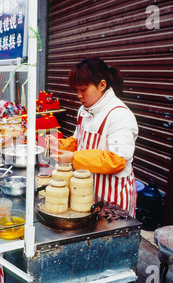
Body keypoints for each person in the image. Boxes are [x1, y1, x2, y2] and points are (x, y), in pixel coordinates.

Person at [48, 57, 139, 216]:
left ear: (102, 85)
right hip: (87, 192)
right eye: (77, 90)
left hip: (113, 197)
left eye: (83, 90)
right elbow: (79, 141)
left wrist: (74, 158)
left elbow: (116, 160)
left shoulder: (119, 115)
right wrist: (60, 144)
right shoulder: (84, 111)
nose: (79, 95)